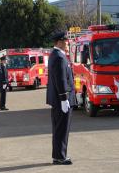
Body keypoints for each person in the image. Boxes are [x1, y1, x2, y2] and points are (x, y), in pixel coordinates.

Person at [46, 32, 77, 165]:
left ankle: (58, 155)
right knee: (61, 129)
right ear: (59, 41)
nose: (67, 43)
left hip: (59, 99)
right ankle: (60, 157)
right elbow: (61, 80)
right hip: (61, 100)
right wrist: (64, 99)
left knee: (59, 129)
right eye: (65, 40)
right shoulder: (59, 57)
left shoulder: (56, 55)